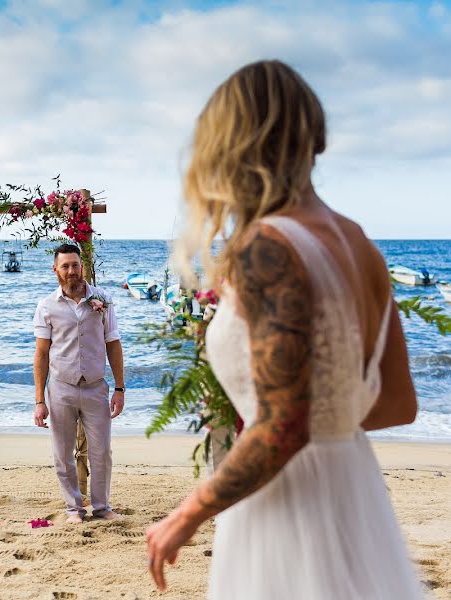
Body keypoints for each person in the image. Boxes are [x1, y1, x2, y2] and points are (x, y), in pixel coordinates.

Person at [145, 60, 423, 598]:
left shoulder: (266, 246)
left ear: (233, 144)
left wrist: (188, 513)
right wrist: (327, 419)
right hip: (354, 488)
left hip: (287, 504)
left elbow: (283, 426)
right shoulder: (359, 242)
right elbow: (397, 404)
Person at [33, 243, 125, 524]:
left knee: (102, 451)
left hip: (96, 386)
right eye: (65, 266)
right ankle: (74, 508)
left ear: (82, 266)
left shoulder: (103, 299)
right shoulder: (46, 305)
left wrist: (120, 388)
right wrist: (39, 400)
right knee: (62, 453)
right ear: (56, 270)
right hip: (61, 387)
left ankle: (101, 506)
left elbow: (113, 344)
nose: (71, 271)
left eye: (75, 265)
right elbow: (41, 353)